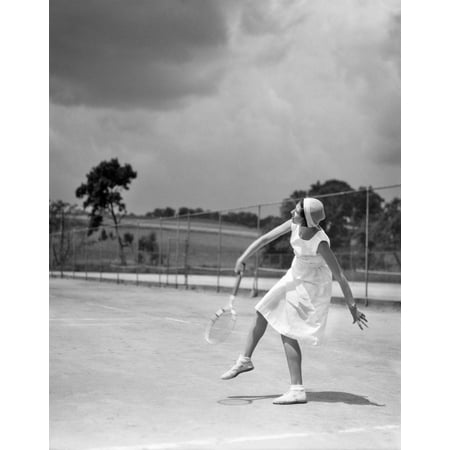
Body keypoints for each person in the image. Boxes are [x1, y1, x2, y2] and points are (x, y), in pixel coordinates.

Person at [220, 197, 368, 405]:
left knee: (287, 330)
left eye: (296, 211)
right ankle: (245, 360)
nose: (291, 212)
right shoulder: (294, 225)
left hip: (312, 284)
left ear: (306, 218)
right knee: (262, 310)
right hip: (294, 274)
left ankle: (297, 389)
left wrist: (352, 307)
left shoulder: (320, 242)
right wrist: (242, 258)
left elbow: (340, 275)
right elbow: (264, 240)